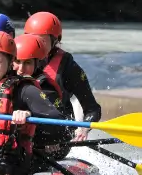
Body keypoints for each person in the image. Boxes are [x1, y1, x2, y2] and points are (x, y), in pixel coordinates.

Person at [0, 32, 64, 175]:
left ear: (10, 62)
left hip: (10, 168)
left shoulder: (24, 89)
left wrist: (29, 118)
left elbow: (58, 124)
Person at [24, 11, 102, 141]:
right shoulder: (16, 62)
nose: (36, 46)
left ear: (55, 41)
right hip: (25, 129)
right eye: (32, 40)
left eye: (41, 41)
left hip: (56, 135)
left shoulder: (68, 67)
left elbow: (92, 109)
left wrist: (84, 128)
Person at [12, 34, 72, 164]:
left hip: (48, 144)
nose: (21, 69)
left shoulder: (46, 88)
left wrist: (51, 137)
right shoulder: (5, 81)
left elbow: (61, 127)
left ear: (37, 63)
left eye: (27, 63)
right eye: (17, 62)